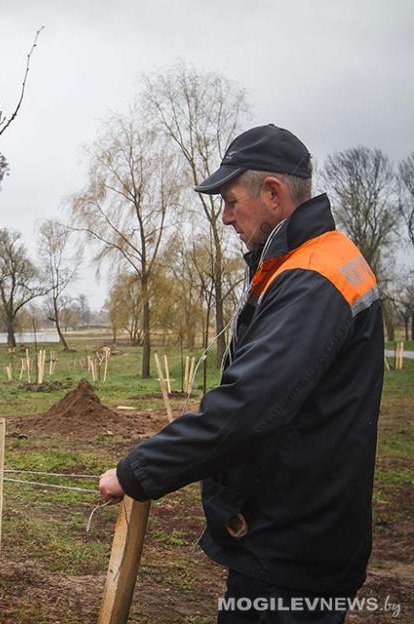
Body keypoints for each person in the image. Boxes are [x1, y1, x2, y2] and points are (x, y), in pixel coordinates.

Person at [97, 125, 383, 622]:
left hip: (294, 549)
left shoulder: (312, 279)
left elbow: (249, 407)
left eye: (231, 201)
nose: (226, 217)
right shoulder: (318, 261)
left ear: (272, 192)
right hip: (305, 531)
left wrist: (136, 471)